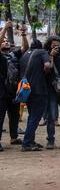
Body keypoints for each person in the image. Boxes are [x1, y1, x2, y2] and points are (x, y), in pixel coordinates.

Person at [0, 21, 29, 151]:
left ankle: (14, 137)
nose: (6, 42)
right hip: (1, 92)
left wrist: (23, 34)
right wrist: (5, 28)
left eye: (7, 41)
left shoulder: (13, 54)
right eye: (3, 41)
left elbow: (25, 48)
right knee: (0, 117)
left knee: (15, 116)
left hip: (13, 91)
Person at [21, 36, 53, 151]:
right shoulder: (42, 52)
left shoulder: (25, 55)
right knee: (35, 117)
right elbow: (47, 65)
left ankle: (30, 140)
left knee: (31, 116)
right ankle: (27, 143)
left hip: (27, 90)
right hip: (39, 90)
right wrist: (47, 68)